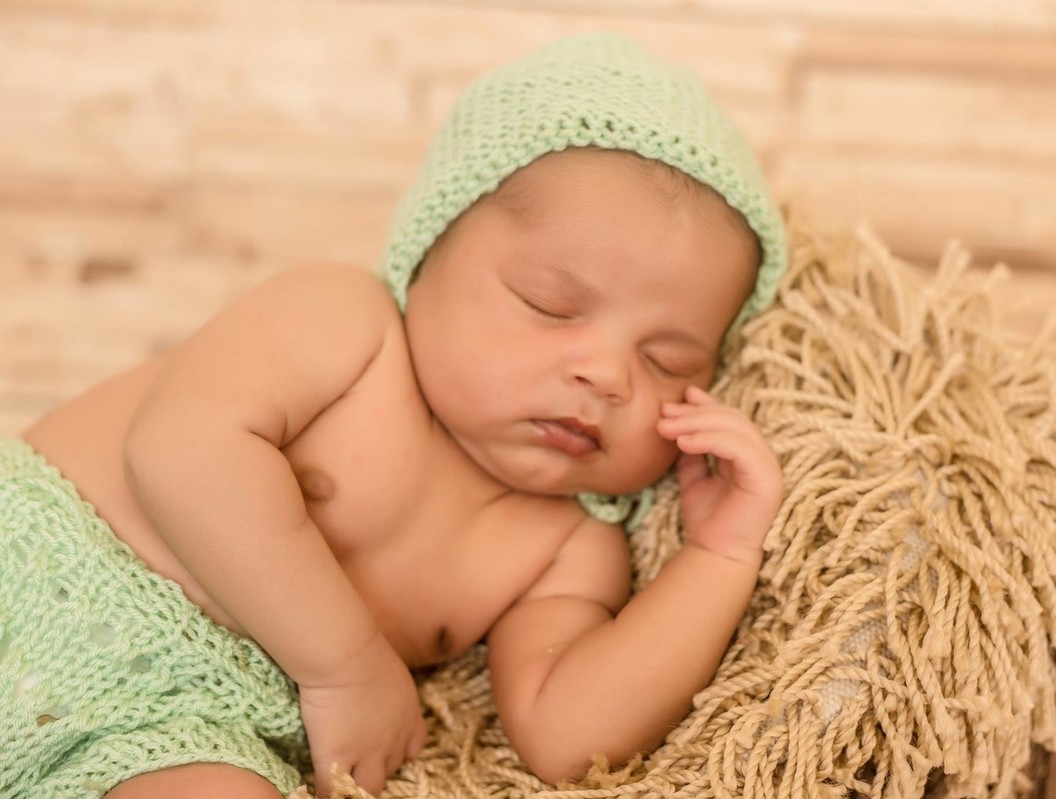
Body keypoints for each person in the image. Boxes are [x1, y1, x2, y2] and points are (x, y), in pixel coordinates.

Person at [0, 33, 788, 799]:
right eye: (550, 304)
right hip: (32, 576)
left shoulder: (568, 541)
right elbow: (179, 449)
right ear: (425, 251)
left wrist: (720, 553)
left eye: (669, 360)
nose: (609, 375)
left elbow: (565, 735)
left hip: (178, 732)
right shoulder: (350, 326)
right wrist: (345, 664)